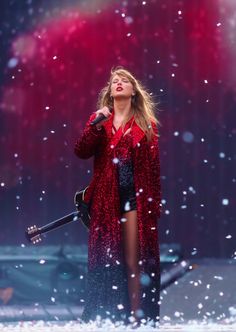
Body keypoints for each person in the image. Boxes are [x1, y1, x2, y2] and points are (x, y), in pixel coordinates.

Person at [74, 67, 162, 327]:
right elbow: (81, 151)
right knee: (108, 259)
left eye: (125, 81)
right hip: (106, 200)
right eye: (115, 81)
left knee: (134, 259)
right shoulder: (98, 120)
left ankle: (137, 317)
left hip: (135, 196)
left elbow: (153, 170)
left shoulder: (147, 125)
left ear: (133, 91)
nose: (119, 83)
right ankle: (109, 316)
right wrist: (95, 126)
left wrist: (153, 206)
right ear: (110, 91)